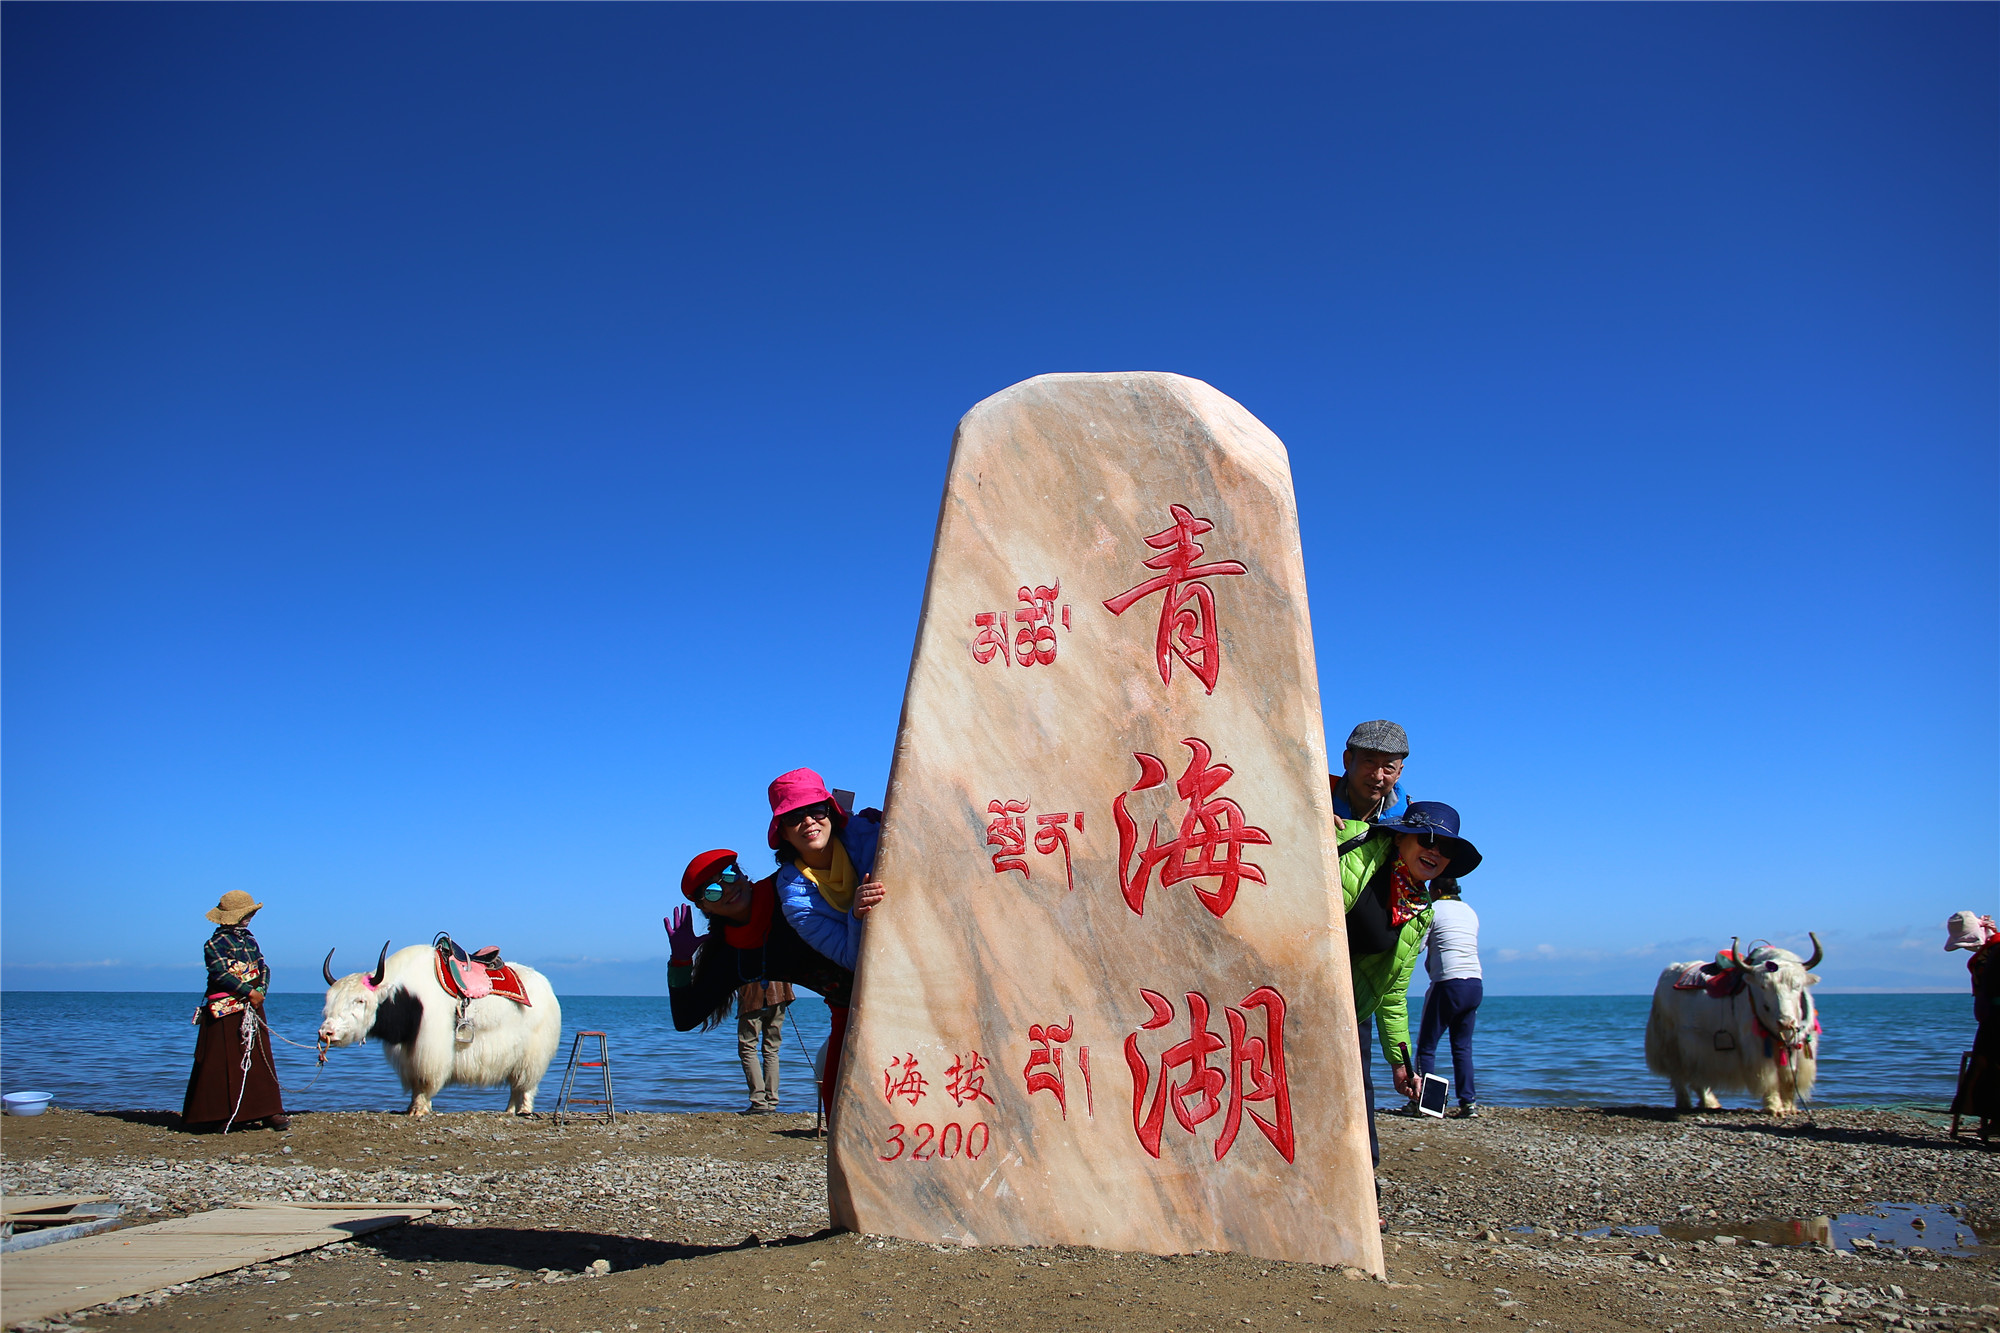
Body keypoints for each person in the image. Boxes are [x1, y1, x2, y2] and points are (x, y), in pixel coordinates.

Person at [1338, 801, 1481, 1183]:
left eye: (1446, 848)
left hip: (1344, 1016)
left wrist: (1401, 1064)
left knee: (1346, 1106)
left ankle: (1360, 1198)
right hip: (1287, 991)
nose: (1435, 851)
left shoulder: (1420, 911)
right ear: (1401, 836)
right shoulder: (1354, 842)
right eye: (1427, 839)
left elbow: (1393, 993)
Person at [665, 849, 854, 1113]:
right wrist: (680, 962)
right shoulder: (731, 953)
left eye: (729, 875)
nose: (726, 889)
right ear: (704, 907)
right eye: (711, 891)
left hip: (885, 979)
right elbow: (686, 1018)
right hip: (848, 1011)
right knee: (838, 1110)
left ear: (742, 874)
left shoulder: (790, 888)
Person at [768, 768, 887, 1121]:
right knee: (847, 1106)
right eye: (793, 817)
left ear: (832, 812)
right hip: (860, 995)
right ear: (783, 834)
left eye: (816, 811)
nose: (808, 821)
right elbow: (850, 958)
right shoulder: (794, 898)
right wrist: (856, 914)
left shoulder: (875, 836)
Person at [182, 890, 288, 1132]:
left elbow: (263, 967)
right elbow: (219, 973)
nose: (249, 918)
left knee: (260, 1059)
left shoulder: (250, 941)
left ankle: (268, 1111)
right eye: (246, 914)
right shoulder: (214, 944)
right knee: (221, 1061)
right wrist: (248, 991)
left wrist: (260, 990)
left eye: (250, 913)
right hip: (225, 1010)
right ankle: (219, 1115)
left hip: (253, 1007)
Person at [1415, 876, 1484, 1118]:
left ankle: (1428, 1104)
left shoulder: (1433, 909)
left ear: (1438, 890)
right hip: (1475, 983)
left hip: (1447, 982)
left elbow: (1419, 945)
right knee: (1462, 1046)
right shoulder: (1470, 912)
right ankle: (1468, 1103)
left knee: (1426, 1047)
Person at [1946, 910, 1997, 1142]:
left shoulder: (1992, 954)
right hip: (1991, 1020)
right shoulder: (1989, 953)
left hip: (1995, 1020)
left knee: (1991, 1064)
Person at [1330, 719, 1411, 823]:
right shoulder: (1312, 797)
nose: (1378, 776)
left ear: (1398, 773)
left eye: (1389, 767)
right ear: (1348, 761)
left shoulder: (1411, 824)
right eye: (1369, 762)